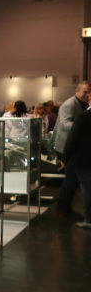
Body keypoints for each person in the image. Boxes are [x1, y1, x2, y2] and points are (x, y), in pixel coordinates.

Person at [53, 81, 91, 218]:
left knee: (72, 179)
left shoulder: (81, 104)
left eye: (89, 92)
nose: (87, 94)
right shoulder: (69, 104)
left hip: (72, 147)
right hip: (66, 147)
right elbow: (64, 125)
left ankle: (64, 209)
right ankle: (63, 209)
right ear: (77, 91)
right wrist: (82, 123)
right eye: (85, 92)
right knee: (71, 179)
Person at [62, 105, 91, 229]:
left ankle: (89, 219)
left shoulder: (83, 116)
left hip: (84, 159)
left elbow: (72, 138)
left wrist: (65, 158)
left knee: (87, 189)